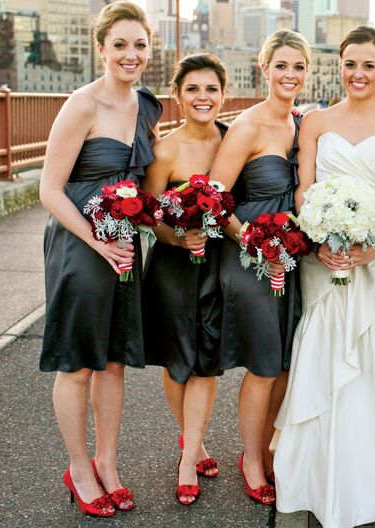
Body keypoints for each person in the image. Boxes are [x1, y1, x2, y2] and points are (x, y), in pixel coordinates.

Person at [272, 26, 375, 528]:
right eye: (350, 63)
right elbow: (303, 191)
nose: (358, 74)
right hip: (326, 257)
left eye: (369, 65)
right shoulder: (315, 121)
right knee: (324, 350)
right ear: (338, 66)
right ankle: (316, 477)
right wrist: (319, 235)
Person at [38, 1, 161, 517]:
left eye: (139, 45)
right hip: (81, 247)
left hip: (125, 245)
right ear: (101, 49)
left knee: (113, 362)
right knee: (79, 364)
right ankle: (80, 467)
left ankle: (109, 462)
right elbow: (49, 190)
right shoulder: (82, 105)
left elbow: (146, 178)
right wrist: (97, 241)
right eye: (120, 45)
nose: (130, 55)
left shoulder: (150, 105)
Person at [208, 29, 310, 506]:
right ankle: (250, 458)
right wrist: (251, 239)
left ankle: (271, 451)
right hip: (251, 257)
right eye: (282, 66)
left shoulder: (302, 124)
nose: (290, 75)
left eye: (299, 67)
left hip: (292, 259)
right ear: (264, 69)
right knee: (266, 364)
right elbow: (214, 198)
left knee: (287, 363)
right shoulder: (247, 126)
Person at [142, 53, 229, 506]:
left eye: (211, 89)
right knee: (180, 361)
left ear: (223, 94)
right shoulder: (166, 150)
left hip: (219, 263)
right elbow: (150, 214)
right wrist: (177, 238)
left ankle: (188, 457)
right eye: (192, 89)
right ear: (178, 96)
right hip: (174, 266)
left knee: (207, 358)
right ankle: (192, 440)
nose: (203, 97)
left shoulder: (232, 140)